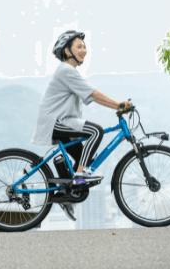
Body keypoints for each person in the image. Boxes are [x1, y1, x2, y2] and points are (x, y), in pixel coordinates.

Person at [30, 30, 132, 221]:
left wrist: (116, 106)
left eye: (84, 46)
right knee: (96, 131)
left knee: (85, 158)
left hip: (61, 121)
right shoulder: (66, 70)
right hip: (55, 122)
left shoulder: (69, 71)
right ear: (67, 51)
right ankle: (78, 177)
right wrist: (117, 104)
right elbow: (93, 94)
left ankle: (66, 194)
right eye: (79, 46)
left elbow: (90, 95)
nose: (84, 50)